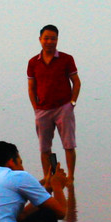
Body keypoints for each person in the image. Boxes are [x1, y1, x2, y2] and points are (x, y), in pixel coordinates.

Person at [26, 25, 81, 180]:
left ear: (57, 40)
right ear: (40, 40)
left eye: (53, 38)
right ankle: (48, 177)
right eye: (46, 38)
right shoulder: (33, 62)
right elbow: (31, 87)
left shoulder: (66, 59)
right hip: (42, 109)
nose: (49, 42)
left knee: (69, 145)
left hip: (64, 107)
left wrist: (72, 103)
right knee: (44, 148)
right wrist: (35, 108)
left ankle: (70, 177)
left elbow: (76, 82)